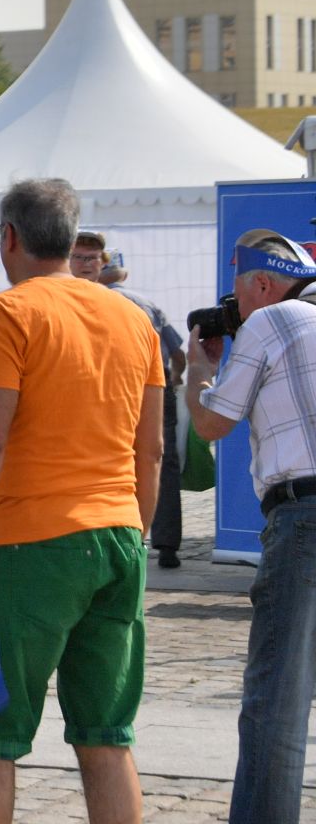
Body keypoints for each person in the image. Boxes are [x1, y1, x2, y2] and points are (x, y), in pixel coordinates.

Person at [0, 179, 164, 824]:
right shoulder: (133, 318)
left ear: (14, 238)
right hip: (118, 538)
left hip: (33, 543)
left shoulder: (8, 311)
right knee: (107, 735)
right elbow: (153, 450)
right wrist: (137, 534)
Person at [183, 228, 316, 822]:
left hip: (306, 518)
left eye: (236, 300)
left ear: (262, 283)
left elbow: (214, 424)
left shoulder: (273, 320)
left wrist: (197, 373)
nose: (234, 313)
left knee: (277, 705)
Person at [73, 232, 189, 568]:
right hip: (154, 386)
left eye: (90, 260)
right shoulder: (145, 304)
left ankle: (106, 533)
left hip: (108, 390)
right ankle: (161, 544)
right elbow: (176, 352)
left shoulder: (93, 304)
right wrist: (177, 378)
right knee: (159, 462)